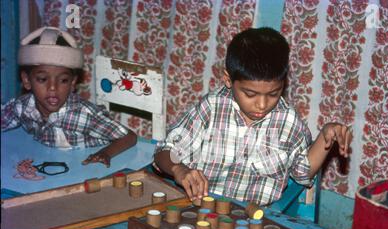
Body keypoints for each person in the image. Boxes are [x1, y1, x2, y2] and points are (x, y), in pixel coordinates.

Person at [154, 27, 352, 205]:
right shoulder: (211, 108)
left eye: (273, 94)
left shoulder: (288, 122)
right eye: (250, 94)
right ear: (228, 80)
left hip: (256, 217)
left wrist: (325, 137)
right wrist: (179, 170)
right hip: (200, 205)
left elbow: (302, 173)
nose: (262, 104)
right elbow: (165, 150)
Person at [1, 26, 137, 167]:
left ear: (73, 83)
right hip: (48, 162)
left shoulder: (83, 115)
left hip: (85, 166)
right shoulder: (21, 106)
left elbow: (129, 137)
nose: (53, 88)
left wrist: (105, 153)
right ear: (27, 81)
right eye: (42, 79)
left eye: (63, 80)